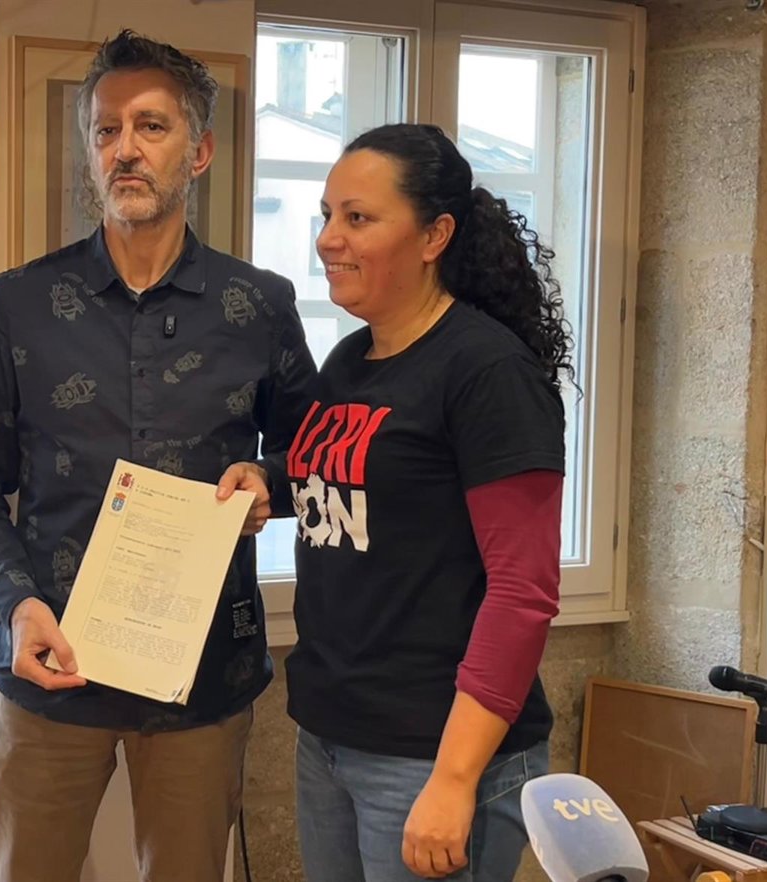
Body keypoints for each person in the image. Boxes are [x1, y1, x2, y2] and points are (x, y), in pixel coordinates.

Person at [0, 29, 317, 882]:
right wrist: (15, 605)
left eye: (150, 126)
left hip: (203, 673)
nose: (125, 150)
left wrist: (271, 480)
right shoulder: (21, 304)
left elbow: (316, 456)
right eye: (106, 130)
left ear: (199, 151)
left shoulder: (259, 305)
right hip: (51, 660)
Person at [218, 123, 570, 881]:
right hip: (332, 736)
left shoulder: (488, 373)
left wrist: (454, 778)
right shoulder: (353, 357)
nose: (328, 239)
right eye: (327, 216)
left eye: (358, 217)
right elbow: (358, 471)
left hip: (433, 753)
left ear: (434, 235)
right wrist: (270, 481)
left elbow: (523, 594)